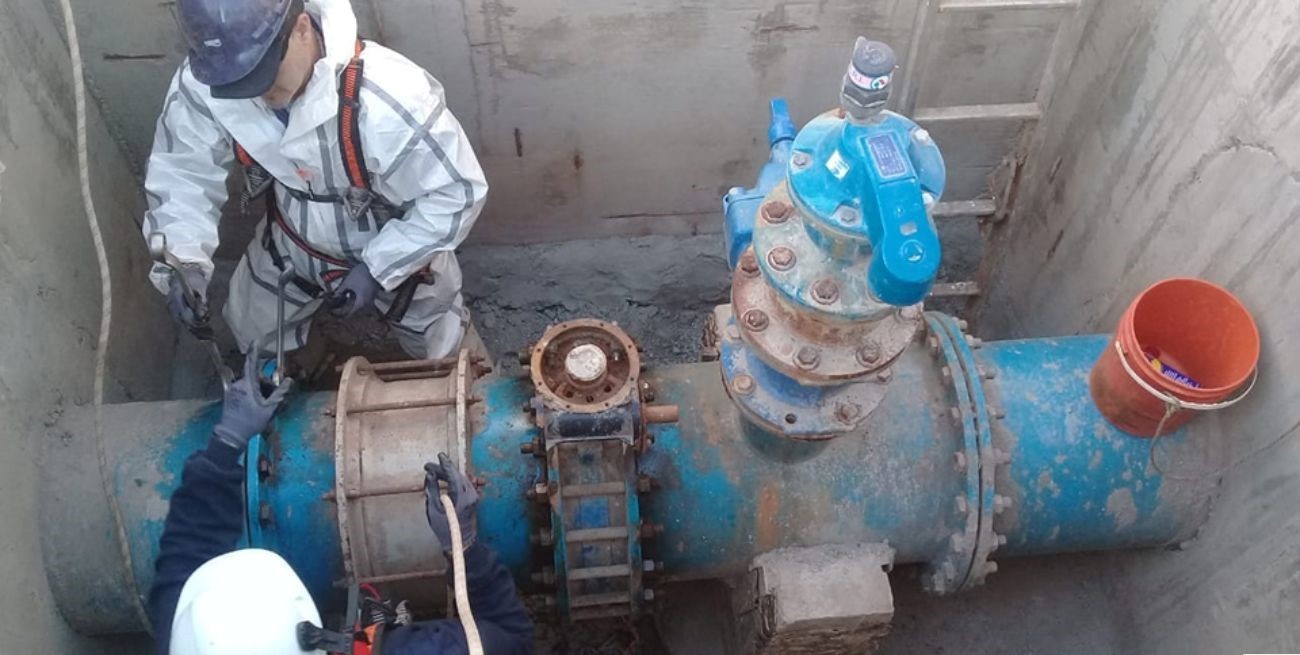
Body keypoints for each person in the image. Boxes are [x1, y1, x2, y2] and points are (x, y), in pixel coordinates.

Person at [144, 0, 488, 359]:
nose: (258, 94)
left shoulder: (389, 98)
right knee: (251, 324)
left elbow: (457, 194)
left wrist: (379, 268)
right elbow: (182, 168)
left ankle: (473, 385)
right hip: (293, 237)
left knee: (440, 338)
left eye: (263, 74)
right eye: (240, 84)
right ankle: (298, 375)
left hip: (392, 234)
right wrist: (183, 262)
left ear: (302, 28)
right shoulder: (212, 78)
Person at [149, 348, 533, 654]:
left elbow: (187, 554)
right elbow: (510, 636)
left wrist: (227, 443)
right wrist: (466, 549)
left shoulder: (196, 634)